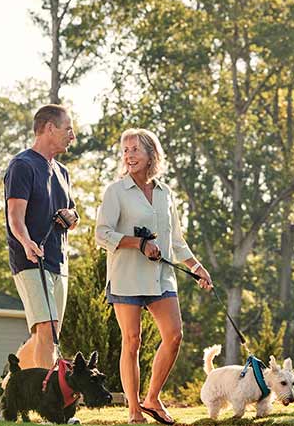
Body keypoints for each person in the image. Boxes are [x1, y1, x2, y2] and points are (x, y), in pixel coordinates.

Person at [95, 128, 213, 425]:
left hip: (161, 276)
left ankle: (152, 397)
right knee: (132, 341)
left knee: (174, 336)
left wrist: (197, 267)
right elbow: (101, 234)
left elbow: (175, 239)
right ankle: (134, 409)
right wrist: (139, 244)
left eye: (135, 149)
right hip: (127, 276)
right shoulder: (116, 191)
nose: (129, 156)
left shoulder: (165, 192)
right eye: (125, 150)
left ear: (151, 154)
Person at [0, 104, 80, 422]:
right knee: (48, 334)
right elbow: (15, 215)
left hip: (58, 261)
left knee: (43, 335)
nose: (72, 135)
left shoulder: (63, 172)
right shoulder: (22, 166)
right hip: (30, 261)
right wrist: (26, 244)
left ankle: (2, 393)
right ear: (48, 128)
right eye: (68, 128)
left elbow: (72, 213)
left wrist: (71, 216)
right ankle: (51, 408)